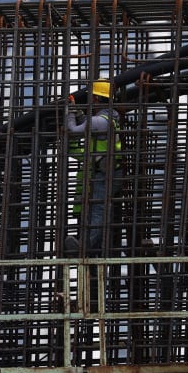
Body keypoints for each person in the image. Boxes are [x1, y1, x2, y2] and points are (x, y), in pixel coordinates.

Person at [64, 80, 123, 257]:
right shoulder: (109, 118)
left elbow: (73, 130)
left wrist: (70, 112)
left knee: (98, 210)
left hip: (104, 174)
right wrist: (80, 113)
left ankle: (85, 247)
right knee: (98, 209)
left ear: (96, 98)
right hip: (110, 170)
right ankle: (89, 247)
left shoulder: (100, 121)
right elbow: (90, 125)